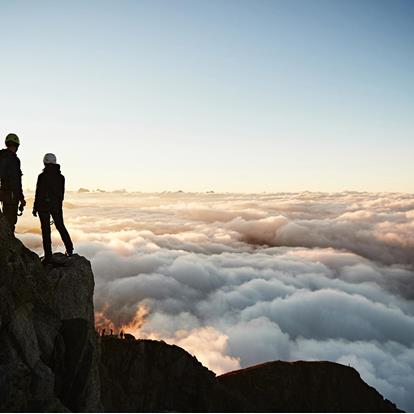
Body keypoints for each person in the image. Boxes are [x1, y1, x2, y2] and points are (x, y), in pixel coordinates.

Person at [33, 153, 73, 263]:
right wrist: (57, 205)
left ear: (44, 162)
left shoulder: (42, 177)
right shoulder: (61, 178)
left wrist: (35, 207)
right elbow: (61, 194)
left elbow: (39, 193)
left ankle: (48, 256)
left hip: (43, 207)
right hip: (56, 206)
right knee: (60, 226)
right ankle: (69, 249)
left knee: (46, 231)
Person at [0, 133, 26, 233]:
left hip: (4, 194)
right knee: (10, 221)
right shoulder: (14, 160)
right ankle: (10, 244)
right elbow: (16, 181)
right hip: (12, 196)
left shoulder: (1, 156)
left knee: (5, 219)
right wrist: (21, 198)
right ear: (17, 145)